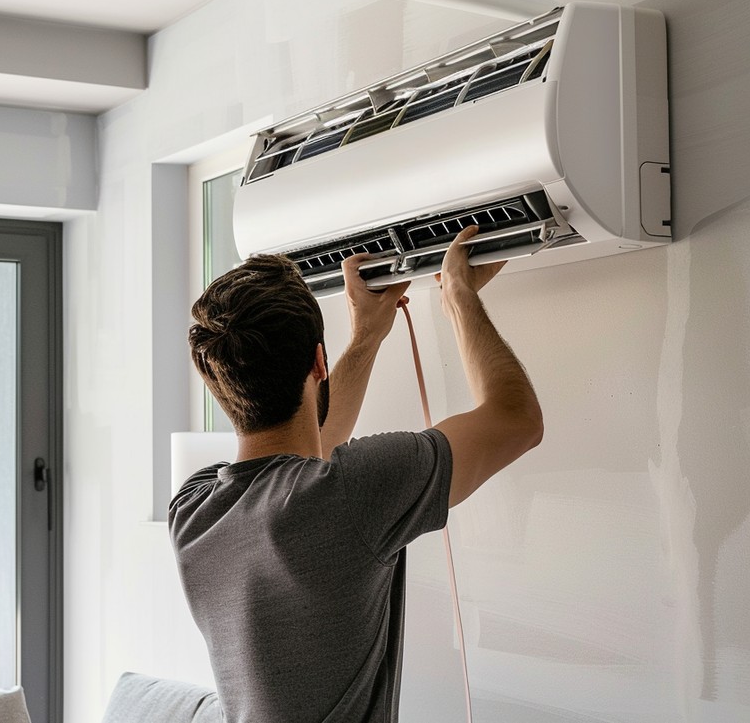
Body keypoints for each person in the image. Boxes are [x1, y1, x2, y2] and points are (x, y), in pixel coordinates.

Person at [169, 226, 544, 723]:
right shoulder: (348, 492)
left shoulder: (193, 509)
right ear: (319, 362)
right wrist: (457, 296)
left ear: (218, 384)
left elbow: (308, 453)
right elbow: (515, 419)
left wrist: (367, 338)